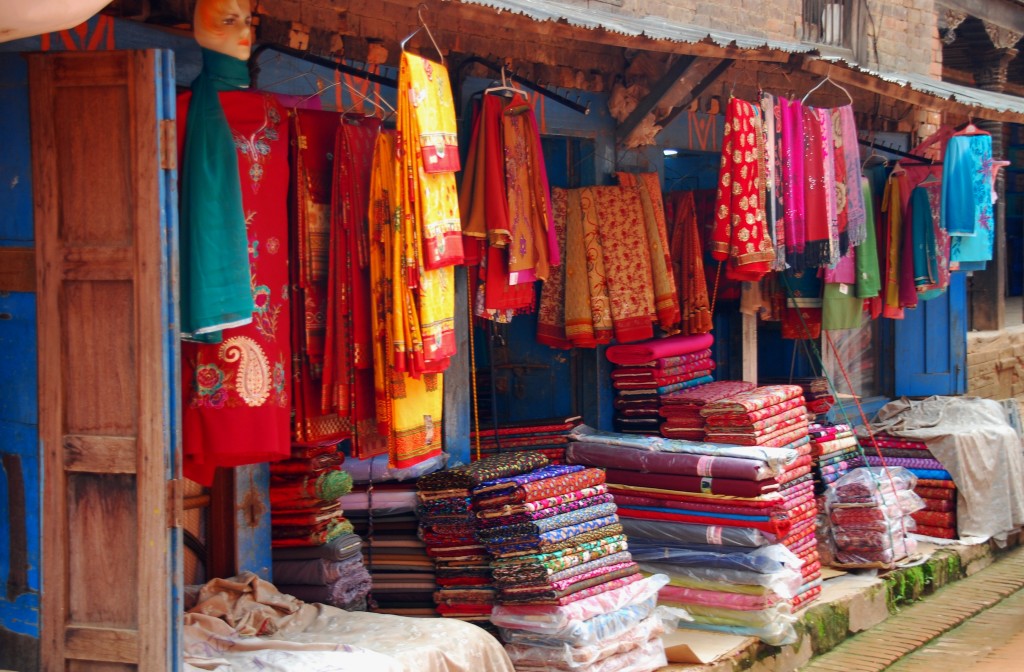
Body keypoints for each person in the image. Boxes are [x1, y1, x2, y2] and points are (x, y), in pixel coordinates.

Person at [178, 0, 292, 485]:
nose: (243, 32)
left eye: (248, 21)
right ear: (196, 25)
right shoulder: (183, 112)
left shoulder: (273, 112)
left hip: (266, 274)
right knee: (211, 371)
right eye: (228, 19)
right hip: (206, 277)